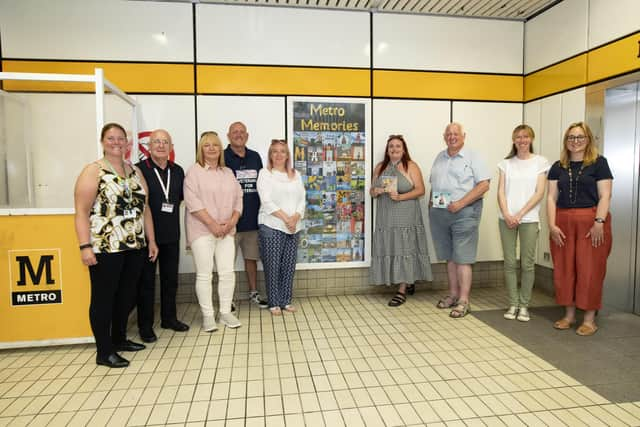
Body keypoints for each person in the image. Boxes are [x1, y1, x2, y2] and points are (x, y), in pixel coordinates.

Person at [74, 122, 158, 368]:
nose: (116, 142)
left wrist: (151, 240)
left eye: (121, 139)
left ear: (127, 143)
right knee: (103, 298)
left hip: (134, 246)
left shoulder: (134, 171)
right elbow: (81, 211)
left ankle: (120, 339)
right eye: (111, 138)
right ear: (103, 141)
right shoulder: (93, 170)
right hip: (105, 247)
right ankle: (104, 351)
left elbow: (146, 209)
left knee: (126, 296)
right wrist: (84, 246)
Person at [547, 122, 613, 336]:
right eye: (571, 137)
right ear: (566, 141)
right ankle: (568, 315)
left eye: (580, 137)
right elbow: (550, 197)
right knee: (564, 269)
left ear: (588, 139)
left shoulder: (599, 163)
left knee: (590, 270)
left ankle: (589, 319)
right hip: (563, 221)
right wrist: (552, 224)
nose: (575, 141)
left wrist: (599, 222)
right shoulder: (558, 166)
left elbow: (605, 195)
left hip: (591, 222)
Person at [429, 122, 490, 318]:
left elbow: (484, 185)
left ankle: (464, 300)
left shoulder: (473, 156)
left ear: (464, 135)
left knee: (463, 258)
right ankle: (453, 295)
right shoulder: (440, 156)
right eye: (448, 134)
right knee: (450, 256)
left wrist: (461, 203)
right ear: (443, 136)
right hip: (441, 213)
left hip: (464, 213)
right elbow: (435, 182)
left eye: (455, 134)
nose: (452, 137)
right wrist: (431, 201)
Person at [184, 131, 243, 331]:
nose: (211, 148)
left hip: (227, 231)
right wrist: (213, 225)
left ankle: (226, 312)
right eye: (207, 145)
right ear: (201, 149)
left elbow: (239, 199)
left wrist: (231, 222)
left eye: (215, 145)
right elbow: (193, 202)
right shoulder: (194, 172)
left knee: (227, 272)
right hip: (202, 231)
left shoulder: (228, 173)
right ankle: (208, 316)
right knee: (204, 274)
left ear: (220, 149)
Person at [135, 129, 188, 343]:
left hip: (171, 235)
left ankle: (169, 318)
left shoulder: (178, 171)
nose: (160, 145)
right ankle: (145, 326)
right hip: (147, 238)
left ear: (171, 147)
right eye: (156, 142)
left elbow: (180, 199)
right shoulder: (139, 170)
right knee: (146, 283)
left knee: (170, 281)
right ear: (148, 146)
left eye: (165, 142)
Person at [369, 134, 433, 306]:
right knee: (392, 247)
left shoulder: (411, 166)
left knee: (404, 248)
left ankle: (402, 289)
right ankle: (408, 281)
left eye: (398, 146)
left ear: (403, 149)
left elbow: (421, 190)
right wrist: (376, 191)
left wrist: (401, 196)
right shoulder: (380, 167)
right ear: (387, 150)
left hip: (406, 215)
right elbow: (372, 191)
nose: (394, 149)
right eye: (391, 146)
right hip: (386, 217)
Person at [497, 125, 549, 322]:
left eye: (525, 136)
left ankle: (524, 305)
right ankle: (513, 303)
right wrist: (507, 214)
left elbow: (539, 193)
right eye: (518, 137)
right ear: (513, 140)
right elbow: (501, 192)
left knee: (527, 264)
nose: (522, 140)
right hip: (506, 219)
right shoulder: (505, 164)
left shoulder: (540, 162)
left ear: (531, 139)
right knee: (509, 263)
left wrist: (519, 214)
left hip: (528, 219)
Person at [257, 139, 305, 315]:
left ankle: (286, 300)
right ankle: (274, 302)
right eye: (274, 151)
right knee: (273, 266)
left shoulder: (295, 174)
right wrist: (286, 219)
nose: (278, 155)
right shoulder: (265, 174)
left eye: (282, 151)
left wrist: (296, 218)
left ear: (287, 155)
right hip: (272, 226)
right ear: (270, 155)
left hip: (294, 227)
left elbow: (302, 199)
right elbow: (266, 201)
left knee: (289, 266)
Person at [224, 122, 268, 308]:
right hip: (230, 222)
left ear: (247, 136)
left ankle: (253, 293)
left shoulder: (255, 157)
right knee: (227, 263)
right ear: (228, 136)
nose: (239, 135)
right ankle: (229, 298)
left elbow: (263, 185)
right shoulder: (222, 157)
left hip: (252, 220)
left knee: (251, 260)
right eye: (235, 132)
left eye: (242, 132)